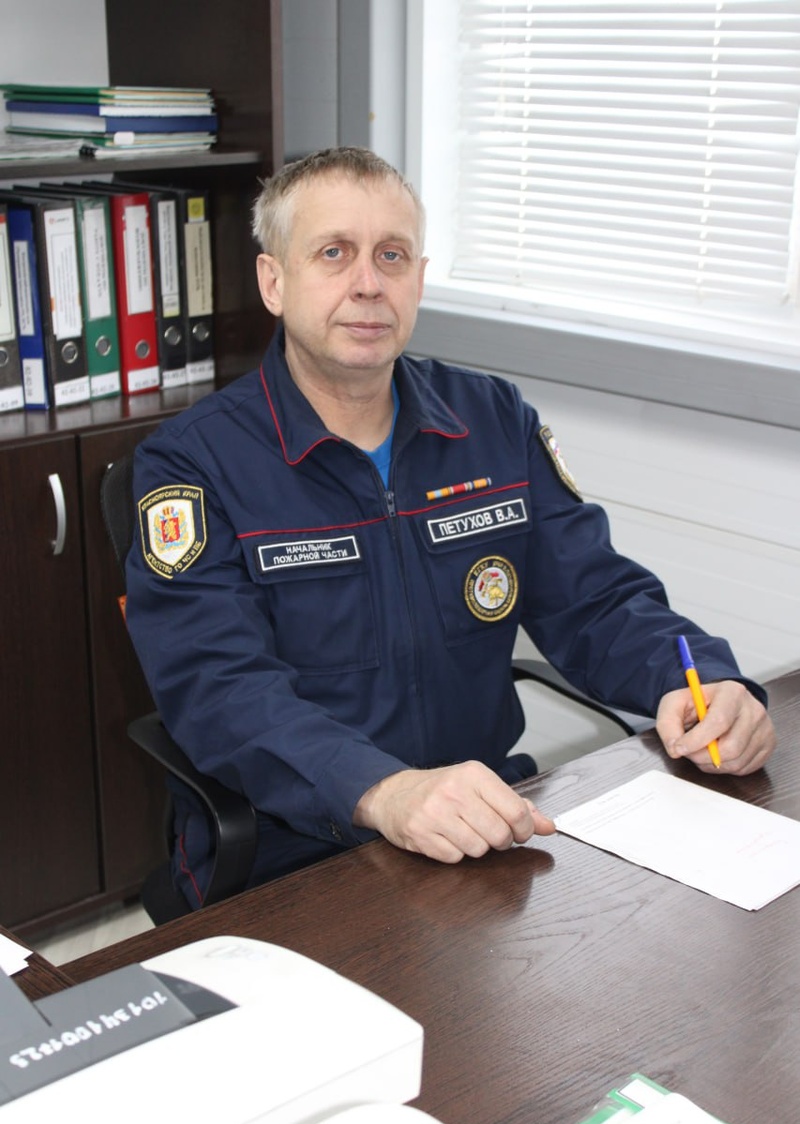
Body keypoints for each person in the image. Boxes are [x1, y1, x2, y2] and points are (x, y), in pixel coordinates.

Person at [126, 146, 776, 909]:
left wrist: (702, 680)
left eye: (392, 255)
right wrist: (381, 789)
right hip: (296, 847)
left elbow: (594, 599)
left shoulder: (492, 419)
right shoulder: (192, 463)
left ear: (419, 278)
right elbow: (219, 688)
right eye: (333, 253)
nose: (368, 283)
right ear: (275, 281)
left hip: (486, 817)